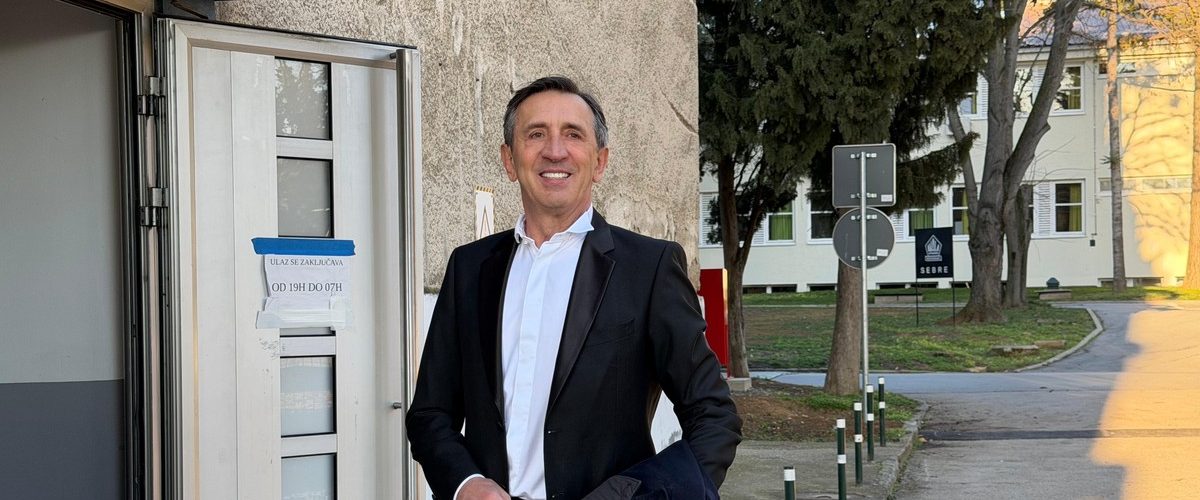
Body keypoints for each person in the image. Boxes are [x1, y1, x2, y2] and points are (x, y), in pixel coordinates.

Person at [406, 76, 741, 500]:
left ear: (599, 162)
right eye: (536, 134)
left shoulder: (648, 268)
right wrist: (465, 484)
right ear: (509, 160)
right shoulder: (469, 268)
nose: (555, 150)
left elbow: (713, 417)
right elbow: (430, 414)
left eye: (573, 134)